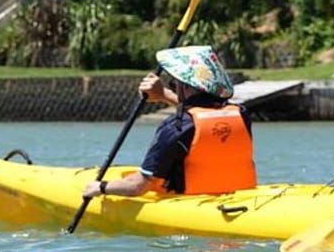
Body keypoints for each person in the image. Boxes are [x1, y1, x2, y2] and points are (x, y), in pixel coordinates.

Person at [82, 45, 256, 198]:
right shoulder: (241, 114)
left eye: (174, 84)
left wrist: (101, 187)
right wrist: (164, 94)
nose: (174, 87)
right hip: (239, 196)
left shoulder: (174, 127)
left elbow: (139, 186)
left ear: (184, 86)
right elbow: (201, 114)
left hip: (190, 202)